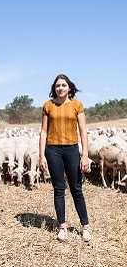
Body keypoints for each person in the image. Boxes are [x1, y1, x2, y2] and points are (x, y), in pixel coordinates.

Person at [39, 74, 91, 242]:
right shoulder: (48, 105)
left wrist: (84, 155)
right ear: (54, 88)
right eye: (57, 86)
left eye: (63, 85)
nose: (60, 88)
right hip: (53, 150)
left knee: (76, 188)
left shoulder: (77, 105)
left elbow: (83, 131)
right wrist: (41, 155)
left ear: (69, 88)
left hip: (71, 149)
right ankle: (62, 226)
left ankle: (85, 227)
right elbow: (44, 132)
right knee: (59, 188)